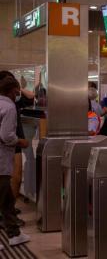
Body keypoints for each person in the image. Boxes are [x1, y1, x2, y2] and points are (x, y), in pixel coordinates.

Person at [0, 76, 31, 247]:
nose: (18, 95)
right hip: (1, 161)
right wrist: (21, 141)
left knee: (6, 199)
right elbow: (6, 136)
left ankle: (14, 234)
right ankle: (13, 233)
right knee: (4, 197)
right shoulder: (9, 107)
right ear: (12, 92)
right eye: (17, 91)